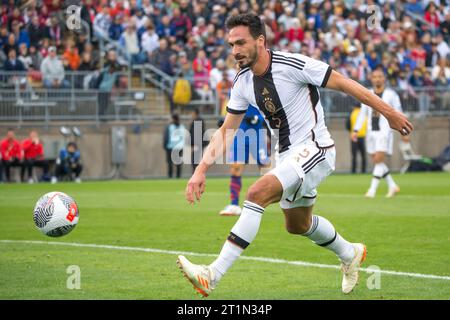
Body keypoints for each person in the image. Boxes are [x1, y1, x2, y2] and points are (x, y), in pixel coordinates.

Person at [177, 14, 413, 297]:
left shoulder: (294, 64)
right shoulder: (241, 82)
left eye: (240, 43)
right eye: (231, 45)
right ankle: (350, 253)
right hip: (288, 156)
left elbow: (345, 83)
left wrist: (389, 113)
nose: (235, 51)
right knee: (297, 224)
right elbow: (227, 129)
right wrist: (200, 169)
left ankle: (212, 275)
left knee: (257, 192)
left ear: (260, 41)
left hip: (317, 149)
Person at [352, 68, 403, 198]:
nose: (377, 79)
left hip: (384, 132)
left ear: (384, 78)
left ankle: (372, 190)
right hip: (371, 132)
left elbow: (398, 111)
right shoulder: (368, 93)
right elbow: (363, 113)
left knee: (379, 159)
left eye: (380, 76)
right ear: (371, 78)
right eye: (375, 77)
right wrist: (356, 130)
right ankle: (392, 186)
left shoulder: (391, 94)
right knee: (377, 161)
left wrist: (402, 128)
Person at [219, 105, 270, 216]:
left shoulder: (258, 88)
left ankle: (271, 201)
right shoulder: (233, 90)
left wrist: (257, 118)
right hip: (240, 134)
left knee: (265, 169)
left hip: (257, 134)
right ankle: (234, 205)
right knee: (235, 168)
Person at [346, 101, 367, 174]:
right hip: (362, 136)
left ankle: (353, 171)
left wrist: (351, 132)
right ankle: (363, 171)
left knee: (354, 155)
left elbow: (347, 124)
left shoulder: (352, 113)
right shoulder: (364, 114)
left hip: (353, 136)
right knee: (363, 155)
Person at [163, 113, 186, 178]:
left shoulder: (170, 127)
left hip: (170, 147)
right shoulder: (182, 127)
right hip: (179, 147)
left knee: (170, 163)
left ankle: (170, 176)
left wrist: (165, 145)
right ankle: (178, 176)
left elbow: (166, 137)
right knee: (178, 163)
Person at [189, 108, 207, 174]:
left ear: (195, 113)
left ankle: (196, 174)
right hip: (200, 144)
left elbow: (196, 134)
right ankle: (198, 174)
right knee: (197, 160)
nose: (191, 114)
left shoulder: (197, 121)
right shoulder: (198, 120)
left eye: (192, 113)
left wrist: (193, 144)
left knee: (195, 161)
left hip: (197, 144)